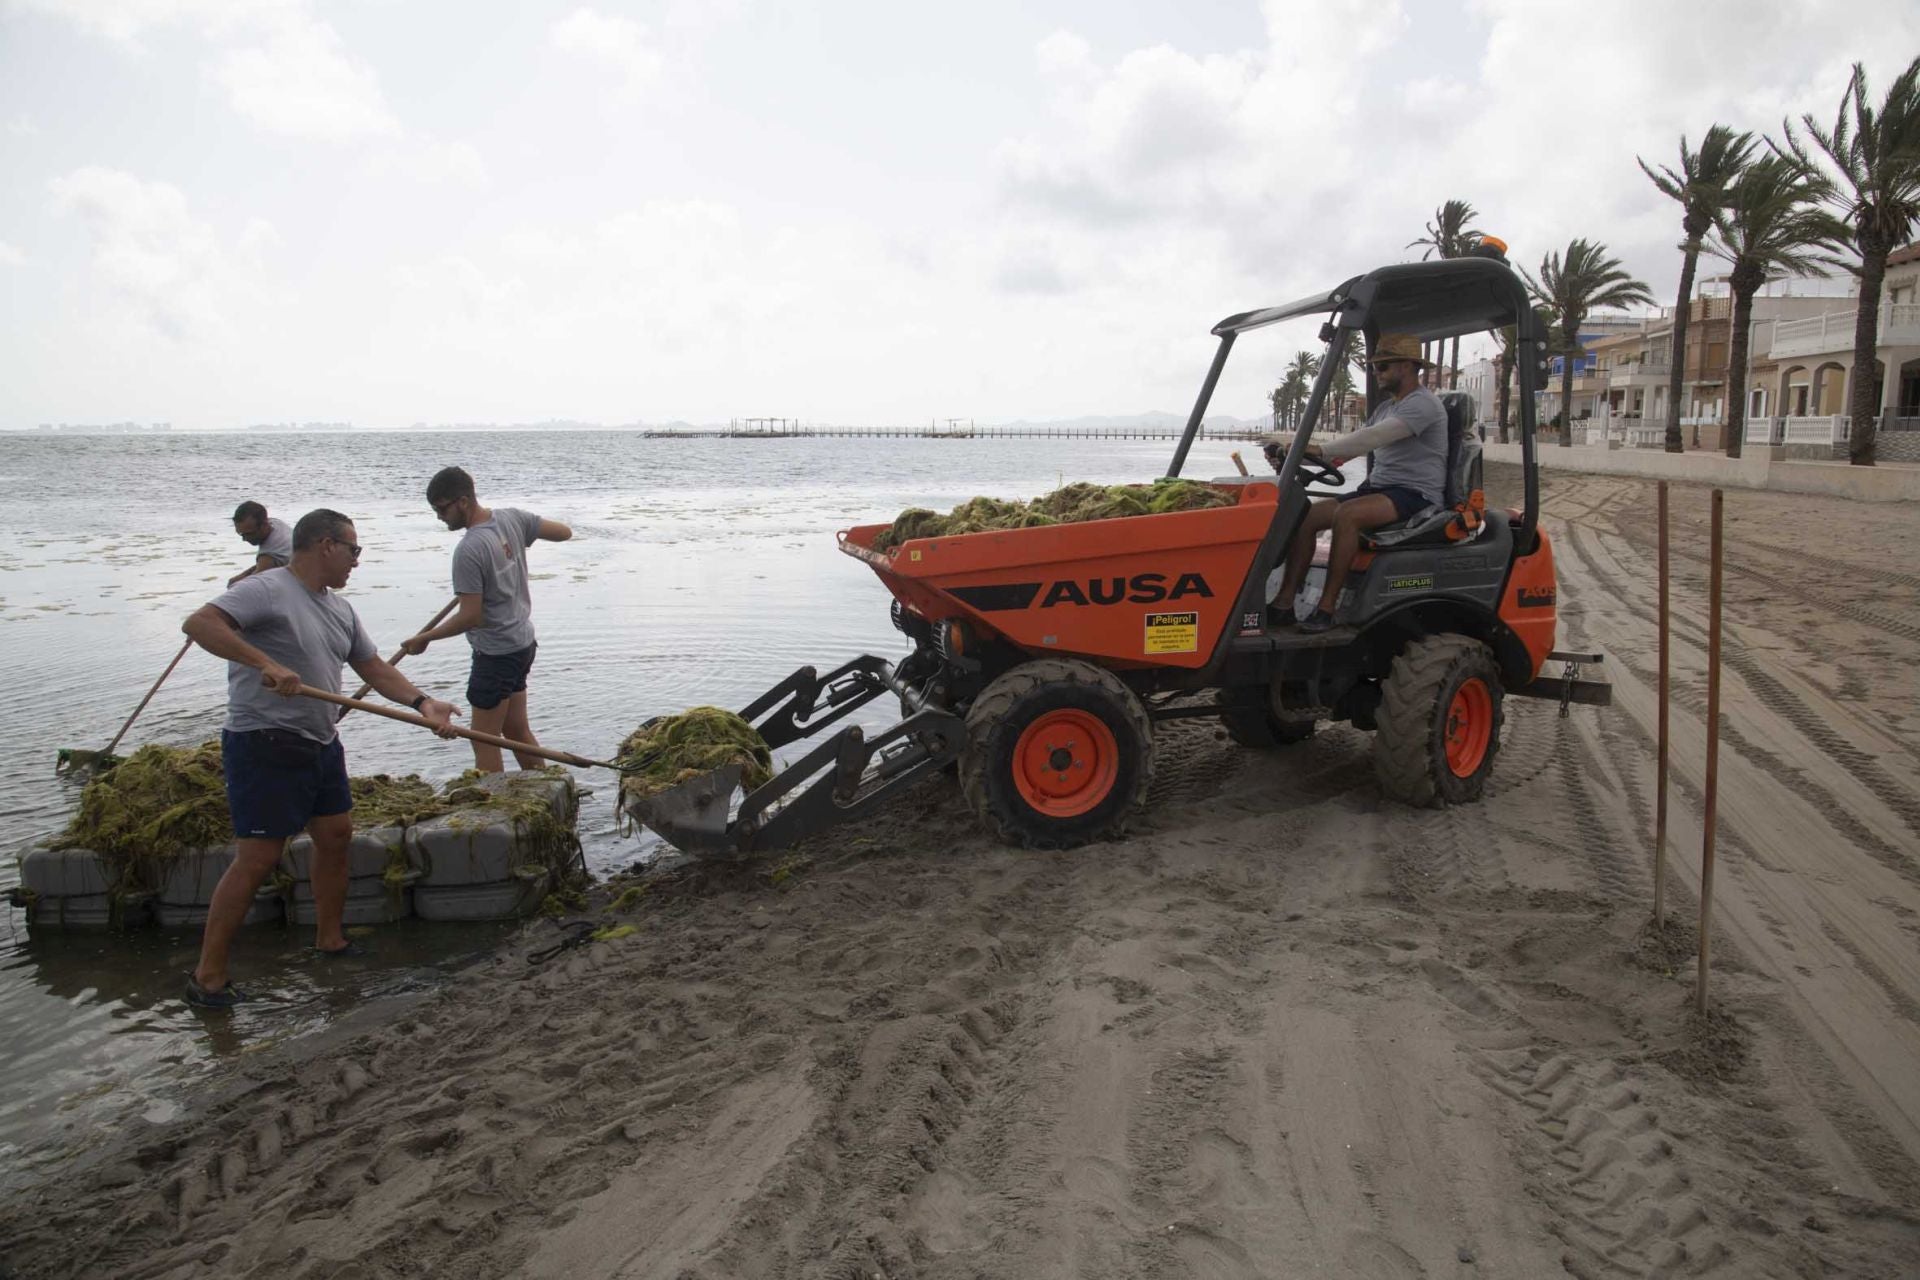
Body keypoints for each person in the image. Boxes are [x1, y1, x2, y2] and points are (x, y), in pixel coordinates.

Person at [181, 509, 460, 1008]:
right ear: (326, 545)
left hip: (319, 741)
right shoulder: (268, 588)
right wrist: (265, 663)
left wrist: (423, 702)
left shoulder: (340, 609)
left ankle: (329, 940)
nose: (357, 560)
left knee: (335, 836)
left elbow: (372, 666)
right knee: (258, 858)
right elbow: (200, 623)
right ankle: (207, 978)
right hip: (263, 741)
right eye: (353, 550)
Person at [1265, 333, 1448, 634]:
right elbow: (1348, 453)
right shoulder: (1386, 408)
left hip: (1415, 494)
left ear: (1406, 366)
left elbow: (1372, 438)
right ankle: (1284, 604)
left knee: (1347, 515)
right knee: (1306, 515)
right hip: (1379, 489)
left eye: (1382, 366)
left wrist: (1320, 449)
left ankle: (1327, 609)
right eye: (1374, 367)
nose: (1376, 373)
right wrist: (1295, 459)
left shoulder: (1423, 405)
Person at [401, 467, 572, 772]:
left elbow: (470, 617)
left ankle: (492, 798)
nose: (439, 517)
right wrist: (516, 542)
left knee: (484, 739)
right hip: (522, 644)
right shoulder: (512, 519)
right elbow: (564, 532)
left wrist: (425, 638)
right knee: (516, 730)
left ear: (463, 501)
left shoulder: (469, 550)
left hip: (495, 653)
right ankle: (545, 783)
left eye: (442, 509)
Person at [230, 500, 293, 585]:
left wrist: (233, 583)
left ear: (264, 525)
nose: (244, 539)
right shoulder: (275, 523)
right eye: (241, 534)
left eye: (248, 534)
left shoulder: (269, 557)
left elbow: (251, 584)